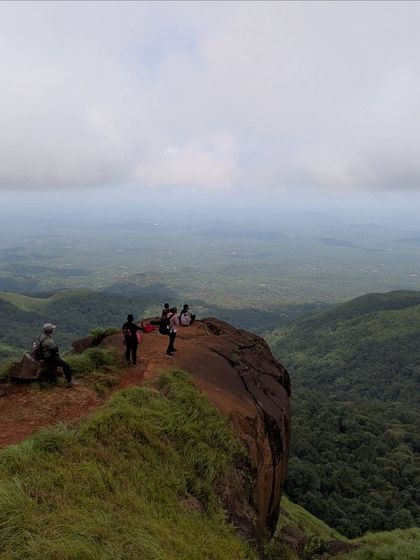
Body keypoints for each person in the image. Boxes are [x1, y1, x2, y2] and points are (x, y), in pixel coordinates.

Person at [40, 323, 74, 388]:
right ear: (49, 330)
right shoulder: (48, 340)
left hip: (46, 356)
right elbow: (54, 350)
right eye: (52, 329)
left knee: (57, 364)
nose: (53, 330)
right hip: (49, 357)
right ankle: (69, 382)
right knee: (66, 365)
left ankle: (52, 380)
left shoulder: (42, 336)